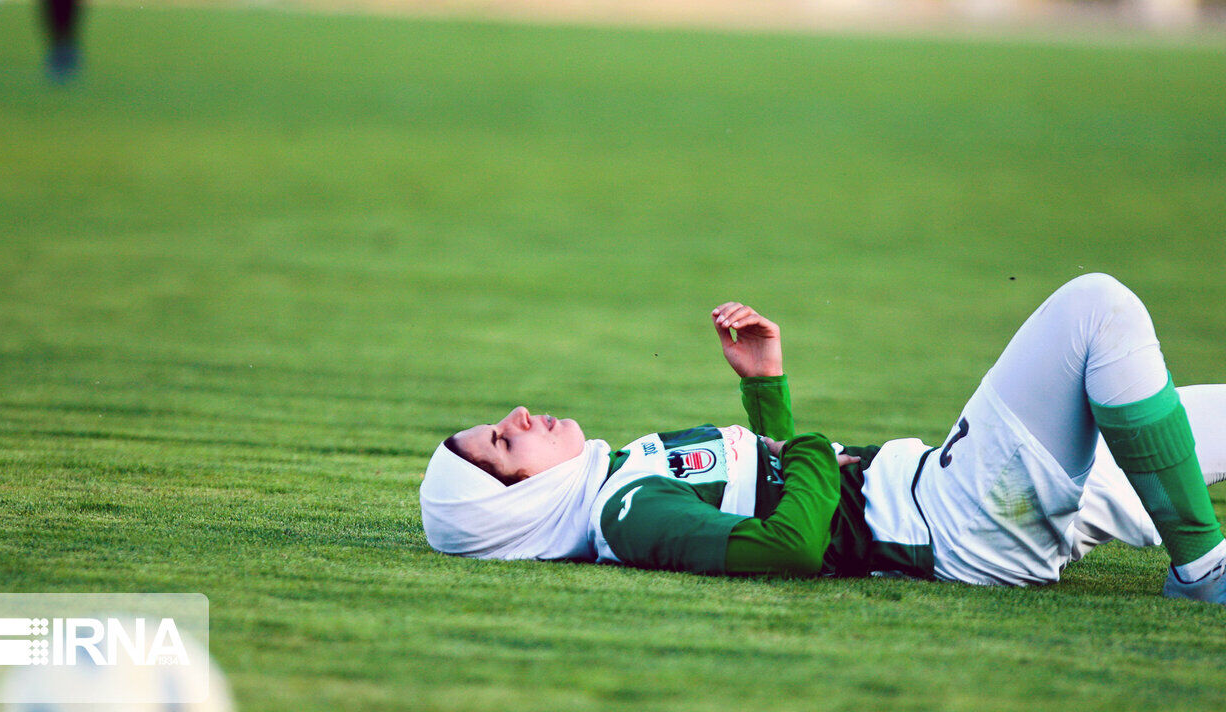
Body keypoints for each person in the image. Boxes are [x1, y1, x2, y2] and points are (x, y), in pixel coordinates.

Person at [419, 273, 1226, 603]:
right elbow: (792, 547)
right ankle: (1202, 570)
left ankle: (1197, 553)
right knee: (1098, 307)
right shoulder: (624, 513)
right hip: (953, 515)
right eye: (503, 443)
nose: (519, 415)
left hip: (956, 502)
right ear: (516, 507)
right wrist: (814, 447)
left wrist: (766, 389)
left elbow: (773, 492)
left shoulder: (618, 483)